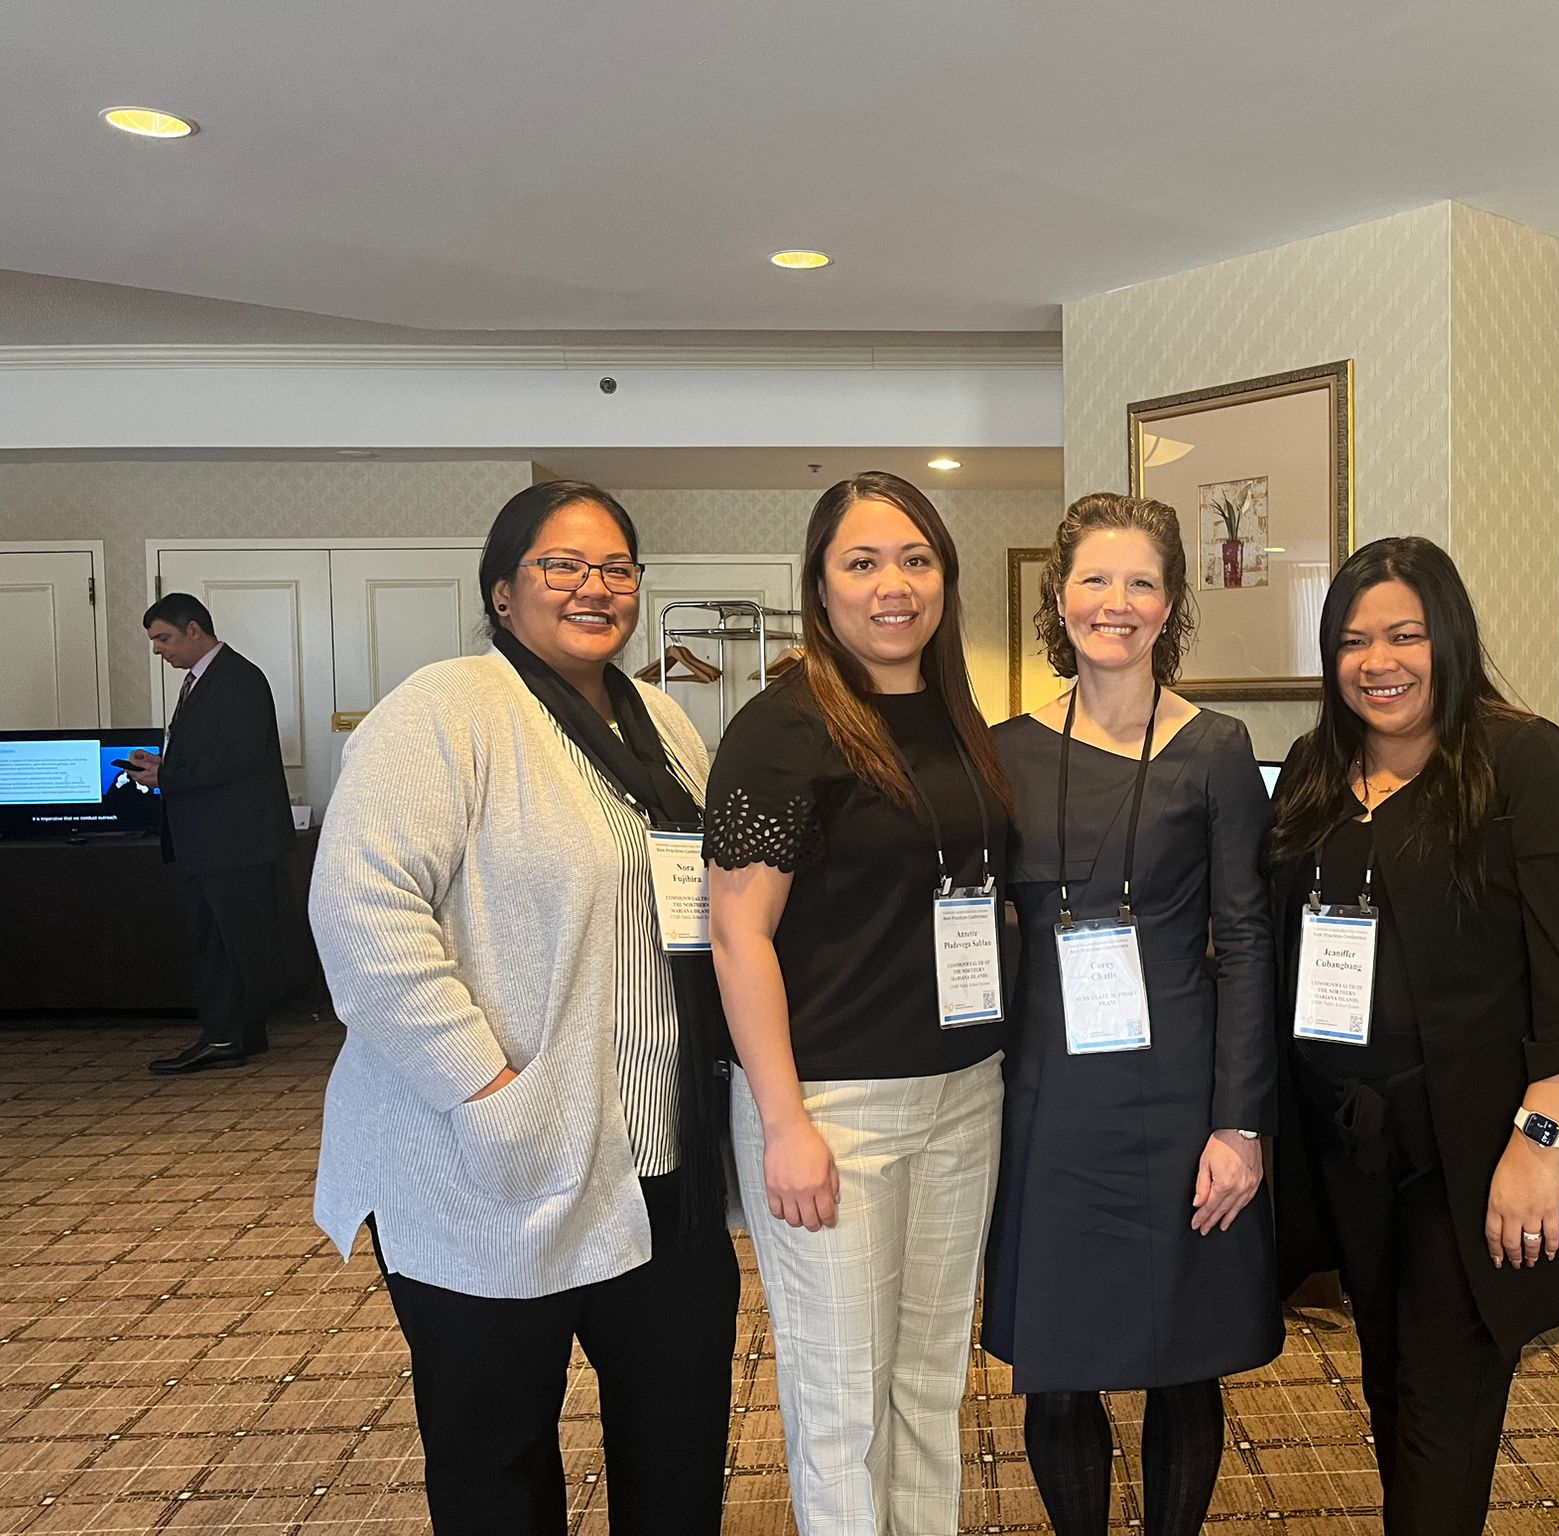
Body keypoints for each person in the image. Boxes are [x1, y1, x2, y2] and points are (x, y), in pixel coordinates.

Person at [309, 481, 738, 1535]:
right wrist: (490, 1093)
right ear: (503, 592)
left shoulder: (665, 720)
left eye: (615, 568)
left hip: (659, 1161)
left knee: (679, 1449)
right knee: (494, 1463)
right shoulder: (444, 710)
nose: (593, 587)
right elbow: (362, 916)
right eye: (561, 566)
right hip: (489, 1164)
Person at [1266, 536, 1559, 1535]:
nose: (1376, 662)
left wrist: (1539, 1141)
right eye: (1351, 641)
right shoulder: (1314, 767)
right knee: (1388, 1377)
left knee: (1441, 1398)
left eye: (1402, 635)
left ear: (1449, 639)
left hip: (1469, 1148)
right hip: (1347, 1140)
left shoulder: (1521, 762)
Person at [707, 470, 1012, 1536]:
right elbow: (736, 934)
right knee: (842, 1405)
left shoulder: (956, 714)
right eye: (863, 562)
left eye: (916, 559)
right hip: (834, 1107)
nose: (894, 585)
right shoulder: (781, 726)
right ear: (820, 587)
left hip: (965, 1093)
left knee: (930, 1387)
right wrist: (783, 1124)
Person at [981, 492, 1280, 1536]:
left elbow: (1246, 943)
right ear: (1058, 601)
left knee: (1179, 1360)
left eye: (1140, 582)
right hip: (1048, 1100)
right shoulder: (1003, 753)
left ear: (1170, 605)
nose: (1116, 602)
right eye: (1094, 580)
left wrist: (1240, 1125)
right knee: (1057, 1367)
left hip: (1177, 1094)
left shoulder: (1216, 749)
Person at [130, 593, 295, 1074]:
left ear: (194, 630)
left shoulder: (238, 679)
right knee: (221, 941)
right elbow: (219, 754)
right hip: (213, 842)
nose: (158, 650)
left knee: (228, 944)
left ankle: (227, 1039)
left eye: (164, 638)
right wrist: (165, 766)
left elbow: (238, 758)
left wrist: (169, 777)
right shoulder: (203, 681)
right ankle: (240, 1034)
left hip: (232, 844)